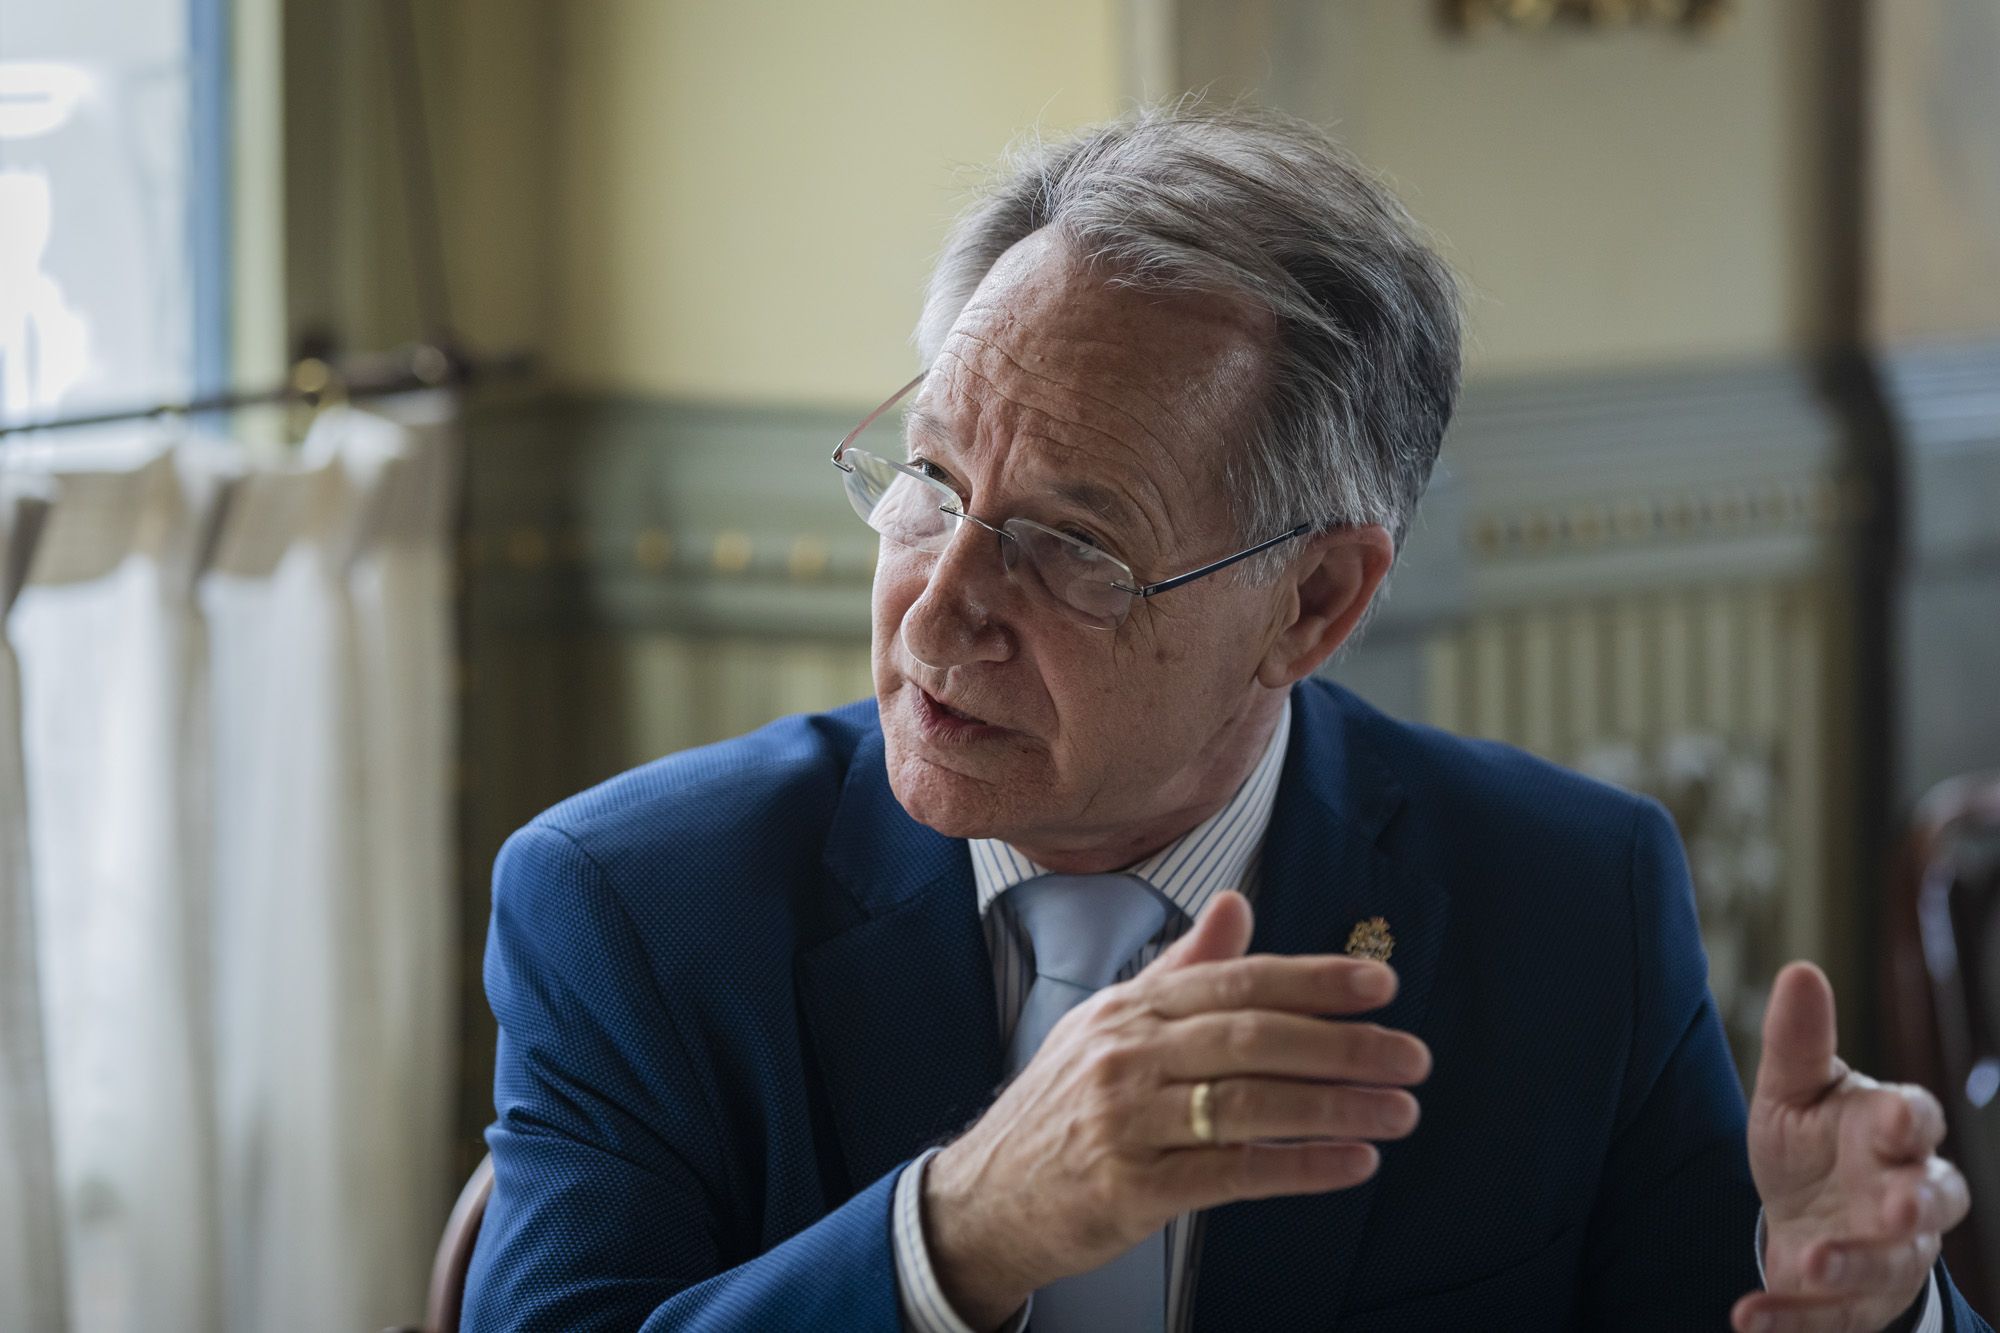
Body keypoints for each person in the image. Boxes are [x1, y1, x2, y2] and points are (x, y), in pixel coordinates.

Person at [462, 104, 1983, 1332]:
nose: (934, 610)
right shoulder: (636, 904)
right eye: (929, 484)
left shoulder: (1565, 898)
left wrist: (1880, 1302)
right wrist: (963, 1232)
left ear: (1315, 601)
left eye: (1071, 540)